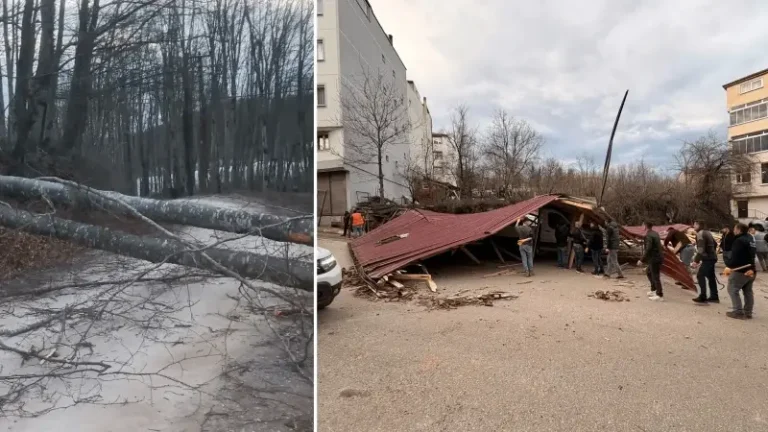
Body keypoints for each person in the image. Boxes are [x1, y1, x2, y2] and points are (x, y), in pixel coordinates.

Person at [724, 223, 756, 319]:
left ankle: (738, 312)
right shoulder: (751, 239)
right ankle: (748, 312)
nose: (733, 230)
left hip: (741, 270)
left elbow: (736, 256)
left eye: (735, 229)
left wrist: (729, 264)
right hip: (751, 269)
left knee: (732, 289)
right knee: (748, 291)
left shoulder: (739, 241)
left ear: (739, 230)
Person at [692, 220, 719, 303]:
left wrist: (696, 261)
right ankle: (714, 296)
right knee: (711, 277)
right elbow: (715, 244)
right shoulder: (708, 232)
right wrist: (711, 252)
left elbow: (700, 249)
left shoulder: (700, 234)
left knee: (700, 275)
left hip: (708, 259)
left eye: (694, 225)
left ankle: (703, 296)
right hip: (712, 257)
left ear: (698, 225)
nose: (693, 226)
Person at [638, 221, 664, 301]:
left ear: (645, 226)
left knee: (655, 276)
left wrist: (642, 259)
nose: (641, 226)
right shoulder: (655, 233)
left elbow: (648, 248)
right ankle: (654, 290)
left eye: (642, 225)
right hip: (656, 257)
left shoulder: (649, 235)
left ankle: (659, 295)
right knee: (649, 272)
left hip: (654, 258)